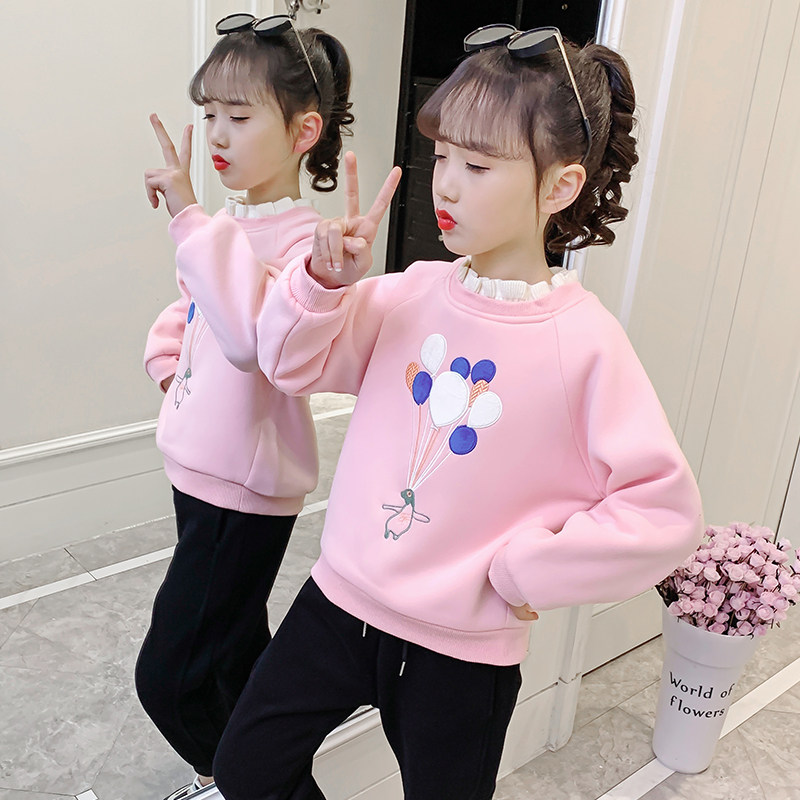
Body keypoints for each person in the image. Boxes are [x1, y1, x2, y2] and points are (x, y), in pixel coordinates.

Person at [213, 25, 705, 800]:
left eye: (477, 165)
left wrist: (523, 570)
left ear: (560, 186)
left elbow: (664, 515)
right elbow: (287, 363)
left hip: (460, 654)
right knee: (247, 765)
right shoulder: (408, 292)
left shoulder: (584, 345)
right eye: (442, 156)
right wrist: (321, 283)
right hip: (339, 602)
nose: (445, 184)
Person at [134, 13, 354, 800]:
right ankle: (252, 774)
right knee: (228, 657)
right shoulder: (233, 223)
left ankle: (238, 780)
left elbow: (245, 339)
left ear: (303, 131)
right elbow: (191, 312)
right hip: (202, 471)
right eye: (210, 113)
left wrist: (188, 216)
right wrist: (169, 364)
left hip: (242, 490)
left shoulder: (306, 244)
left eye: (239, 114)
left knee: (169, 676)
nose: (218, 134)